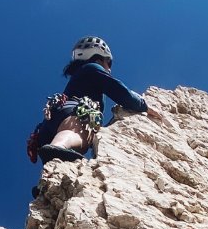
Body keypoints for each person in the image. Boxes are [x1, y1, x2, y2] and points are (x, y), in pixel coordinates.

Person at [27, 36, 154, 165]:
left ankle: (48, 177)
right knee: (79, 134)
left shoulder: (78, 76)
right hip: (76, 113)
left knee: (55, 157)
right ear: (99, 58)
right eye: (108, 63)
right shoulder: (92, 68)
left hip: (50, 122)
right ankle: (59, 146)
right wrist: (143, 105)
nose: (109, 69)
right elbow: (118, 90)